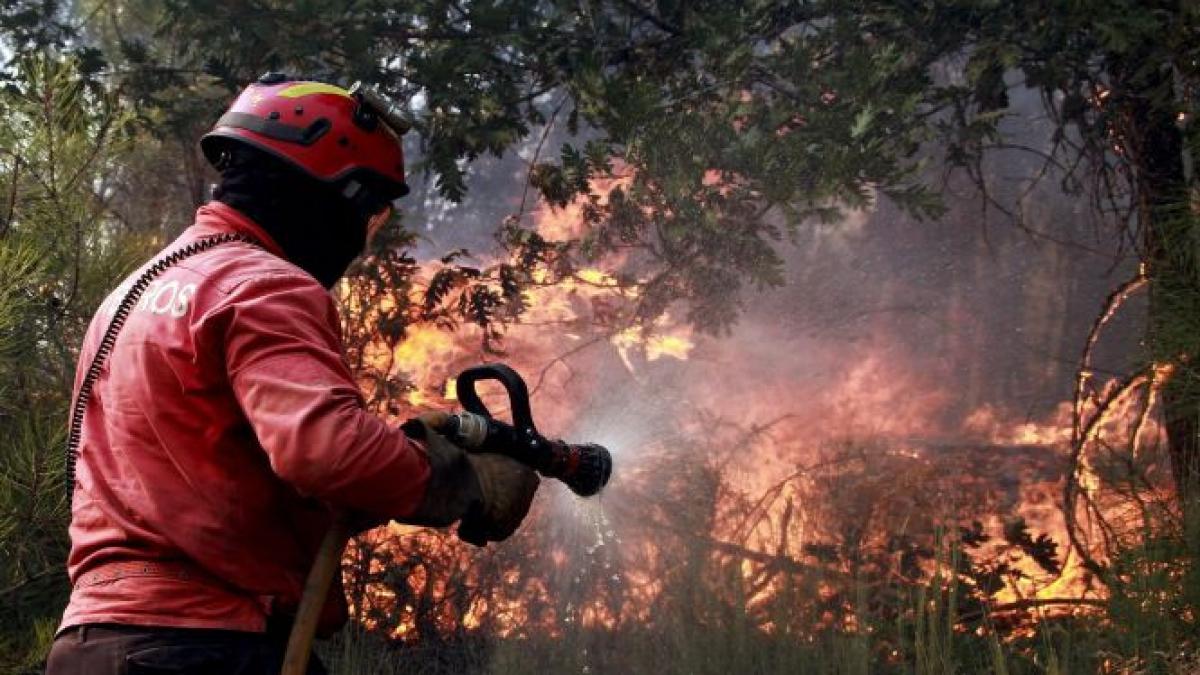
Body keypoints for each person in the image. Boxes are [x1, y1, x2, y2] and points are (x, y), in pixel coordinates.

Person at [45, 74, 540, 674]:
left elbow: (218, 470)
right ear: (330, 195)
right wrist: (463, 480)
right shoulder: (264, 285)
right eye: (369, 212)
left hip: (93, 645)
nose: (361, 238)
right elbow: (328, 450)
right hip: (205, 646)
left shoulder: (137, 292)